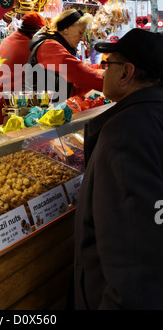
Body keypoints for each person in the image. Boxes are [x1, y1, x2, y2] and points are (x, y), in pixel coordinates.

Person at [74, 28, 163, 310]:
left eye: (106, 64)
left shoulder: (125, 137)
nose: (102, 72)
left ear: (126, 73)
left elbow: (134, 263)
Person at [25, 9, 103, 103]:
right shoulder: (49, 46)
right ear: (66, 29)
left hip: (47, 107)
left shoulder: (57, 45)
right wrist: (111, 83)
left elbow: (72, 86)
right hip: (38, 111)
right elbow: (78, 72)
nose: (82, 39)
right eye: (80, 32)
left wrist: (103, 75)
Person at [0, 11, 46, 126]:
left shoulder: (12, 38)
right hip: (6, 103)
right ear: (36, 32)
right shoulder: (29, 45)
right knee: (7, 140)